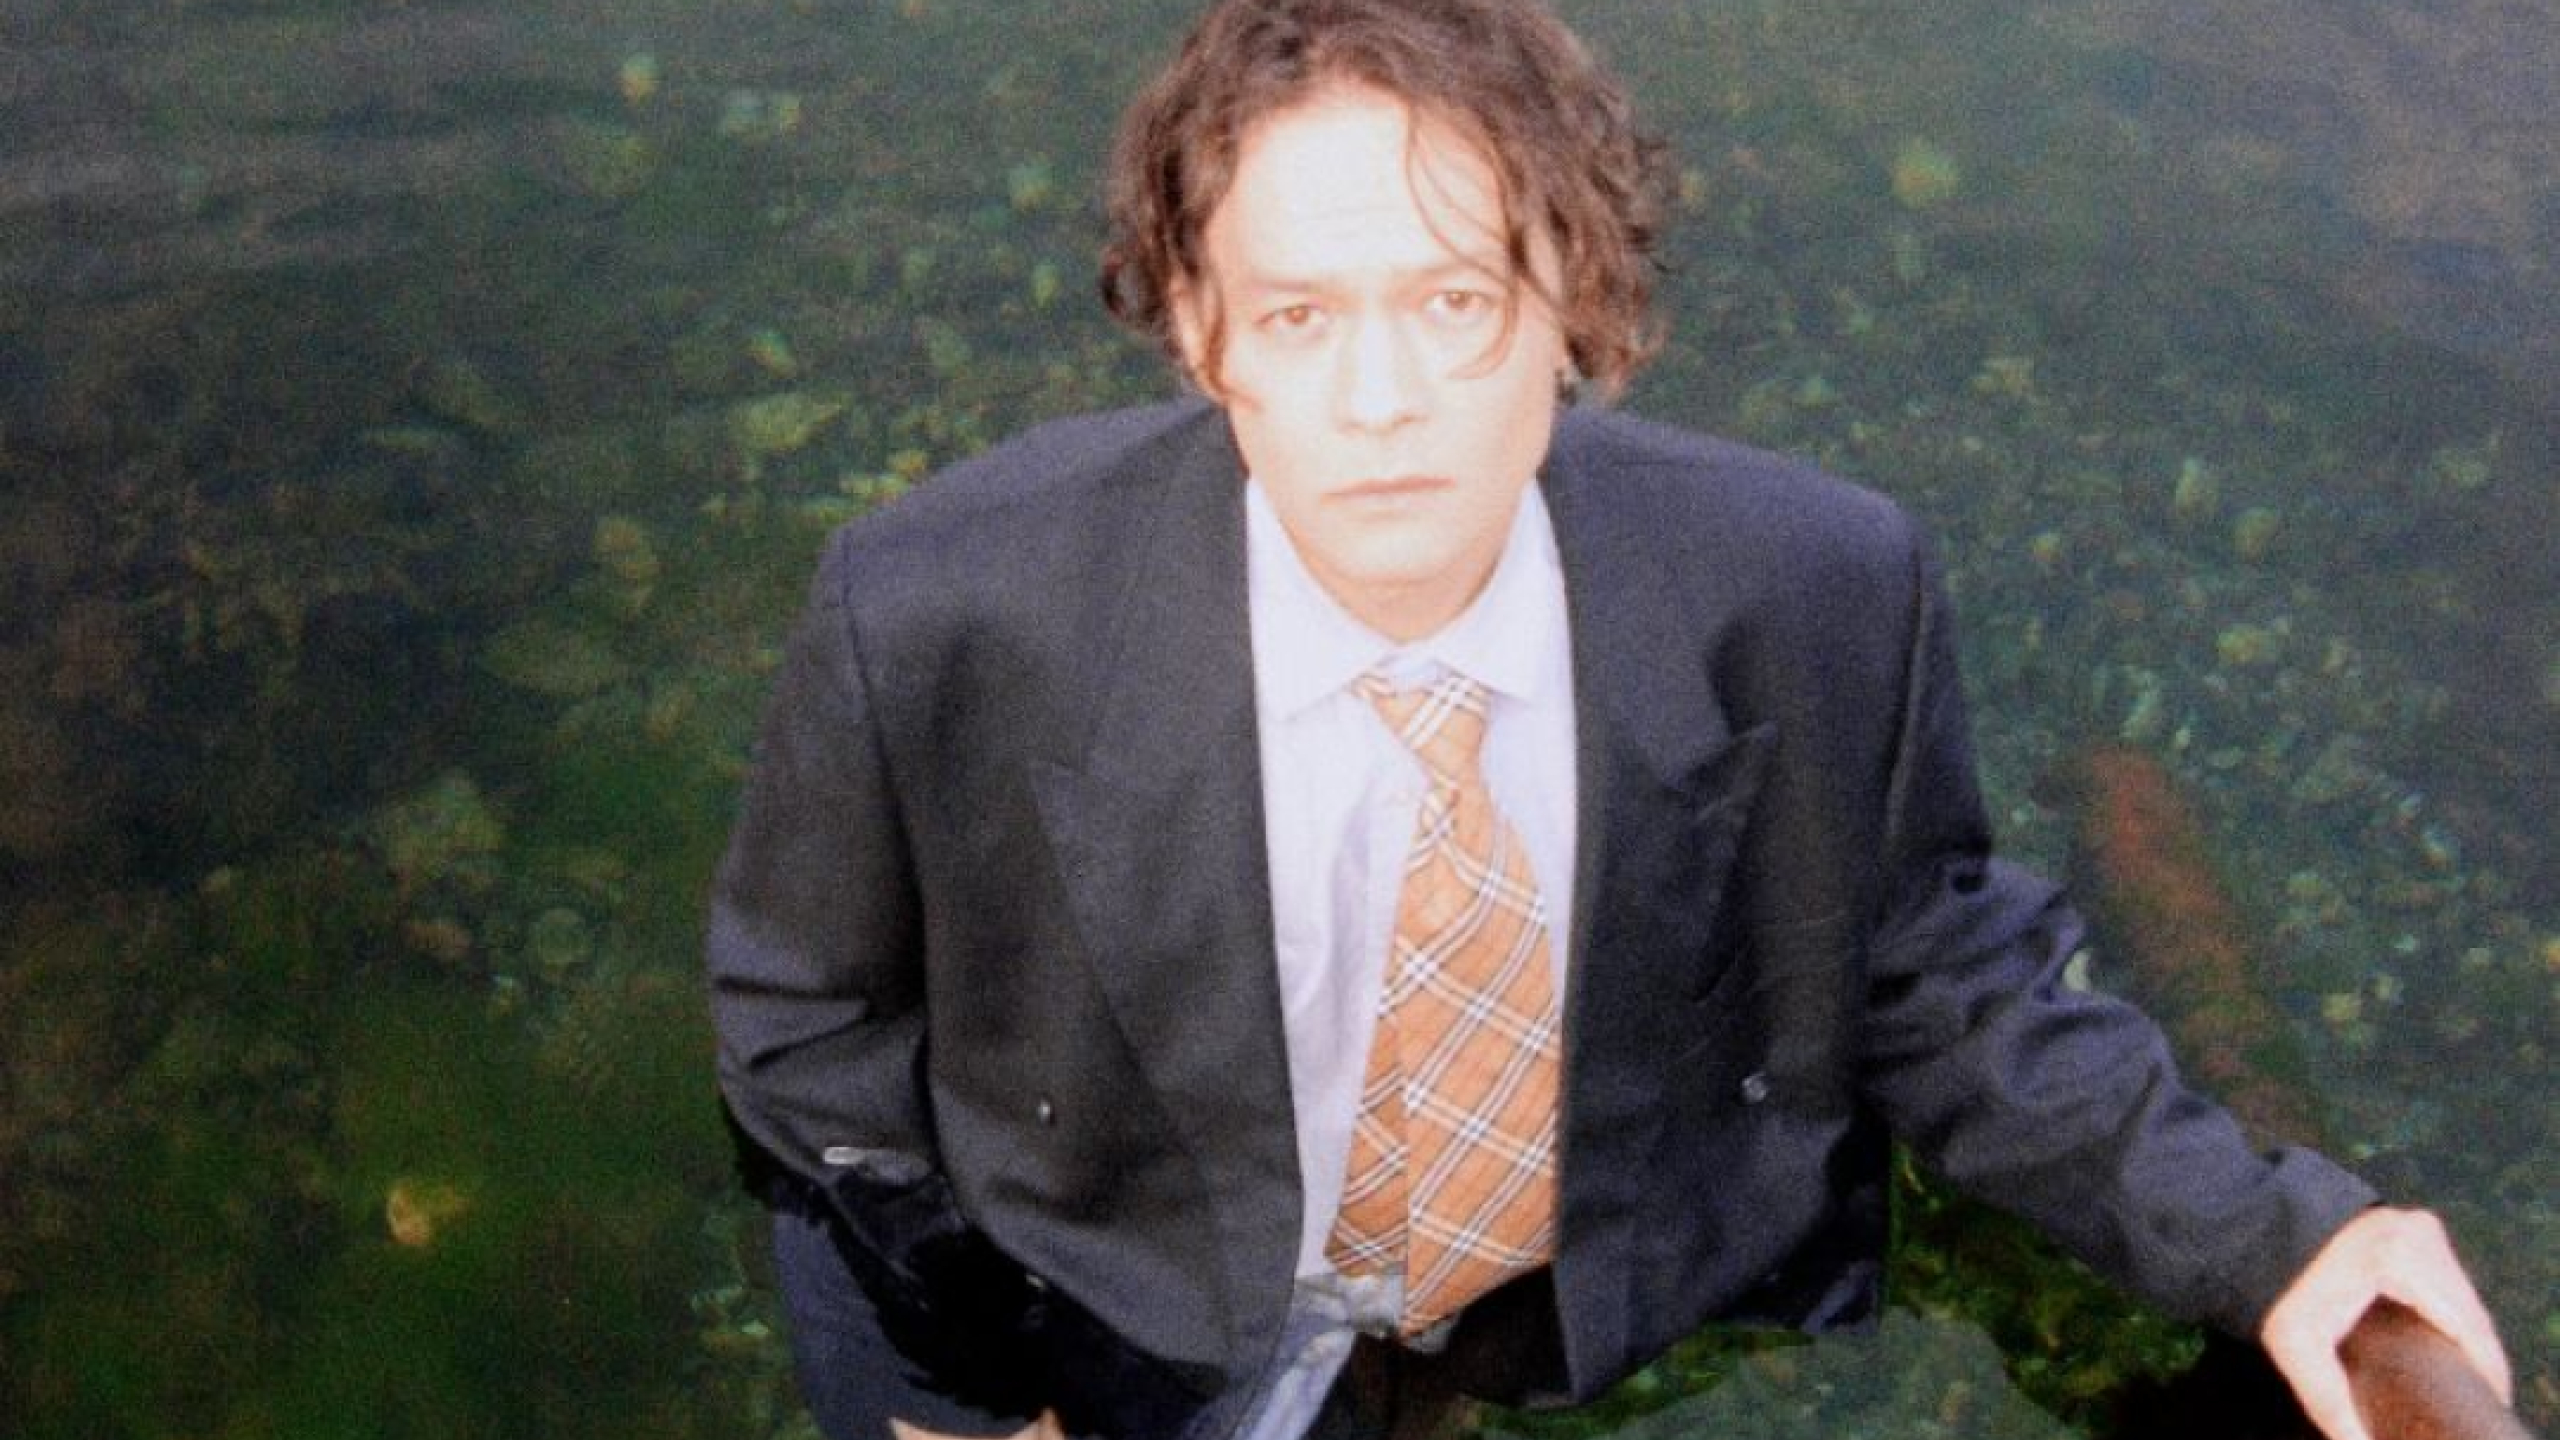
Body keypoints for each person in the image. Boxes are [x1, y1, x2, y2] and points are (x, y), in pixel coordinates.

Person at [704, 2, 2513, 1438]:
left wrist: (2272, 1235)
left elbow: (1930, 975)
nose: (1383, 400)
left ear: (1572, 290)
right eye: (1301, 314)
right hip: (1125, 1312)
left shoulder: (1817, 585)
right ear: (1197, 327)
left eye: (1454, 299)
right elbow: (808, 1034)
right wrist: (955, 1391)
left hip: (1604, 1317)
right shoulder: (938, 612)